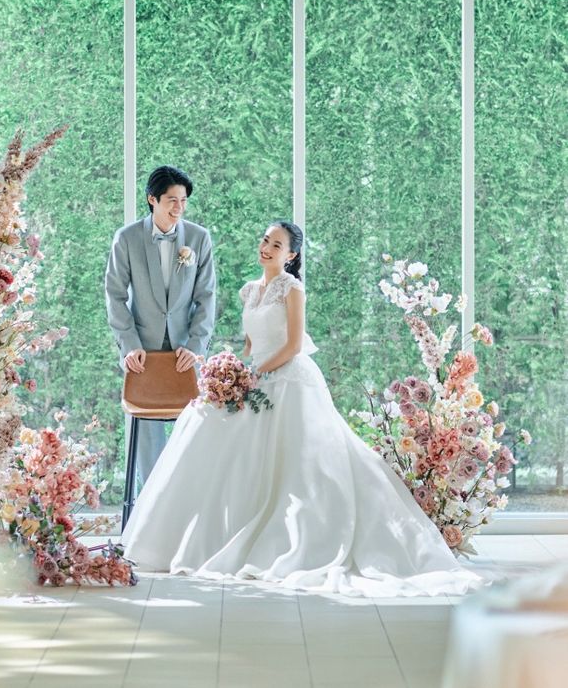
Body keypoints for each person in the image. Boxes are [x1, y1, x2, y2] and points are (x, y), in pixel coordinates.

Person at [121, 221, 483, 597]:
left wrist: (256, 374)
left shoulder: (292, 289)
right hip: (255, 376)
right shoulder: (249, 290)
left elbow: (293, 345)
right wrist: (230, 372)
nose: (266, 247)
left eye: (276, 245)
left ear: (291, 255)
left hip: (288, 379)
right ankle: (196, 537)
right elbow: (250, 345)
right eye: (265, 240)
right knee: (202, 420)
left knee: (299, 465)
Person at [105, 166, 216, 489]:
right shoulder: (127, 238)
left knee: (193, 429)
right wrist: (130, 346)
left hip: (185, 353)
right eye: (172, 200)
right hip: (142, 352)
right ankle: (152, 500)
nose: (179, 208)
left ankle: (186, 497)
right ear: (152, 200)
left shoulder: (198, 238)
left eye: (183, 201)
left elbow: (206, 297)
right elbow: (114, 295)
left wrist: (195, 347)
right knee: (146, 433)